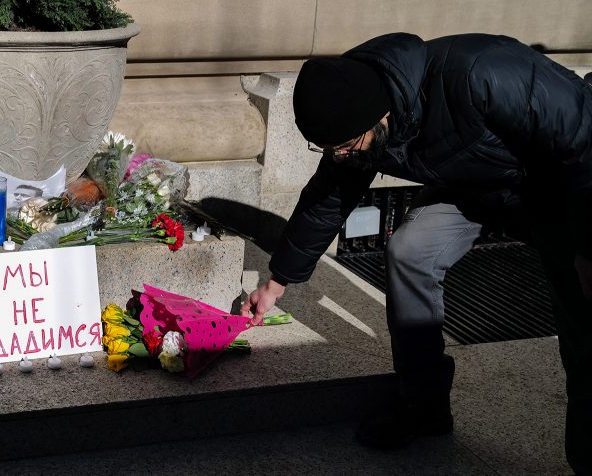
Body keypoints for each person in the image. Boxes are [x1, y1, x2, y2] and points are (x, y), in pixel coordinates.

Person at [240, 33, 592, 474]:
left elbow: (585, 138)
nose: (340, 155)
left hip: (565, 192)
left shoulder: (480, 73)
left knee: (584, 330)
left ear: (381, 115)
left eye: (347, 145)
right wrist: (277, 282)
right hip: (477, 188)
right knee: (410, 251)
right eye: (330, 149)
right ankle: (424, 405)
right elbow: (328, 196)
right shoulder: (356, 110)